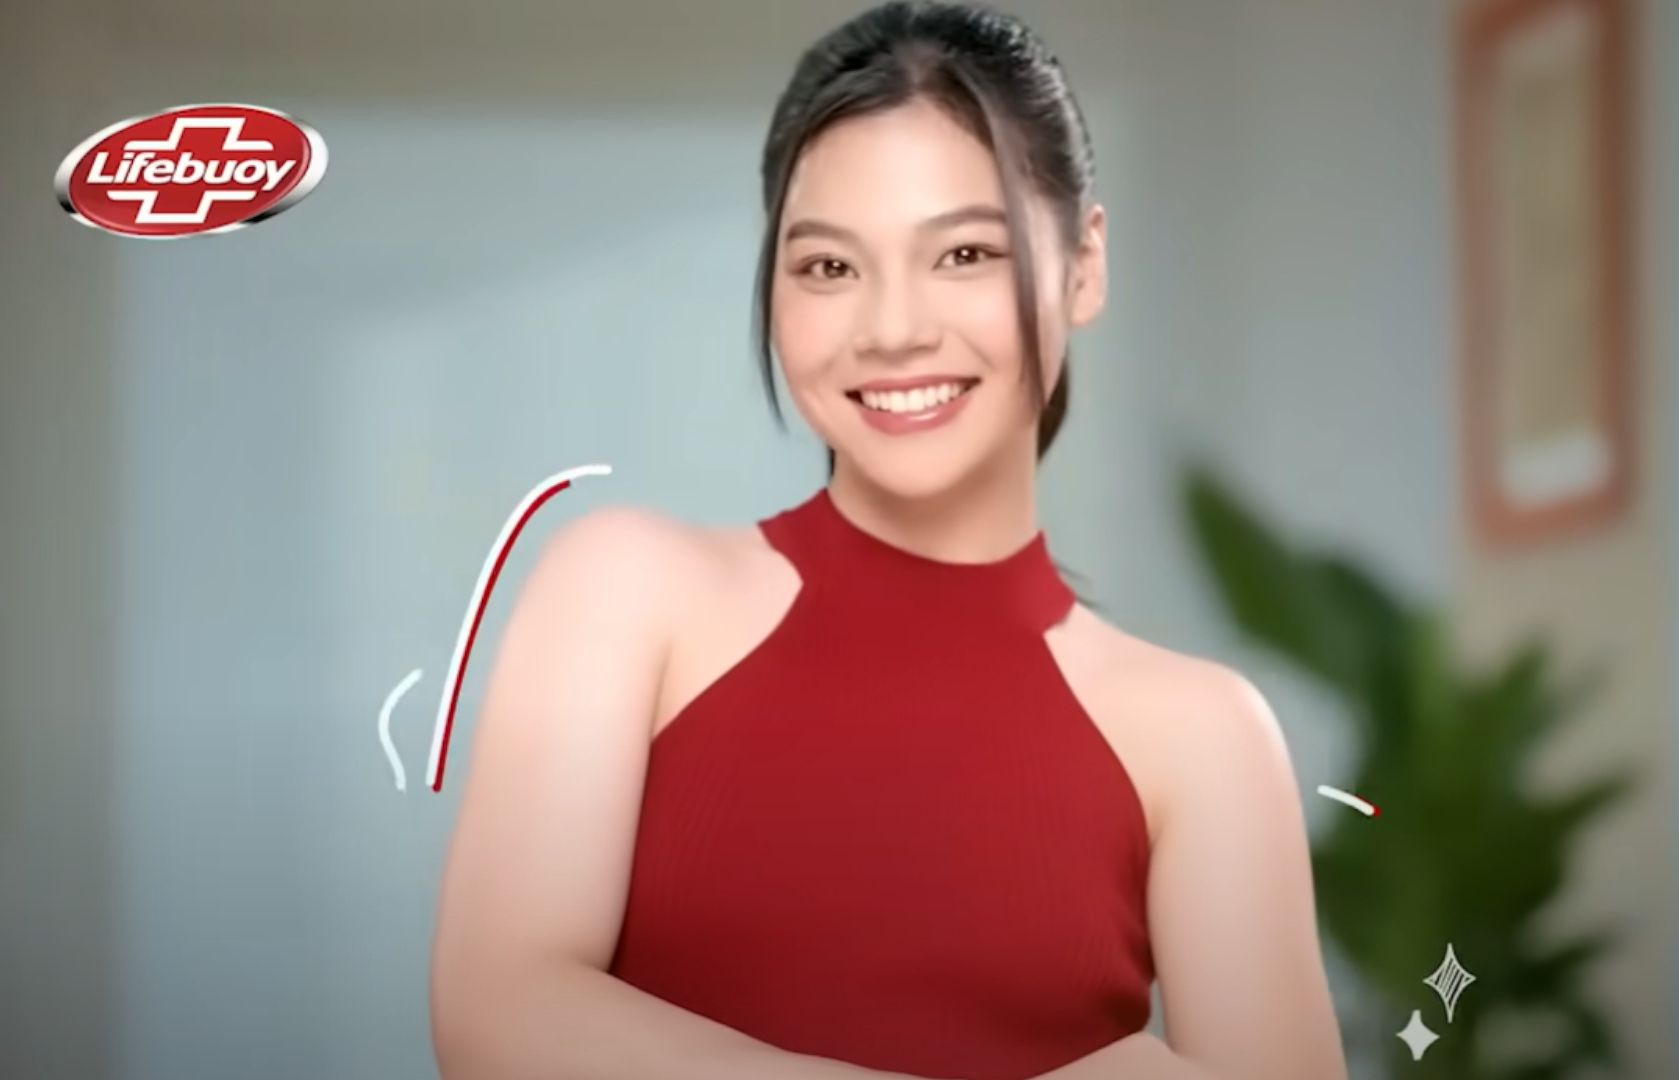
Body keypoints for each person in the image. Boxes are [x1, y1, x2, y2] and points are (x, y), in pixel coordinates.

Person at [428, 2, 1345, 1078]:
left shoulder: (1204, 736)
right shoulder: (625, 590)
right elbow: (499, 1019)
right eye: (829, 268)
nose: (893, 328)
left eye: (962, 252)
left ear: (1084, 263)